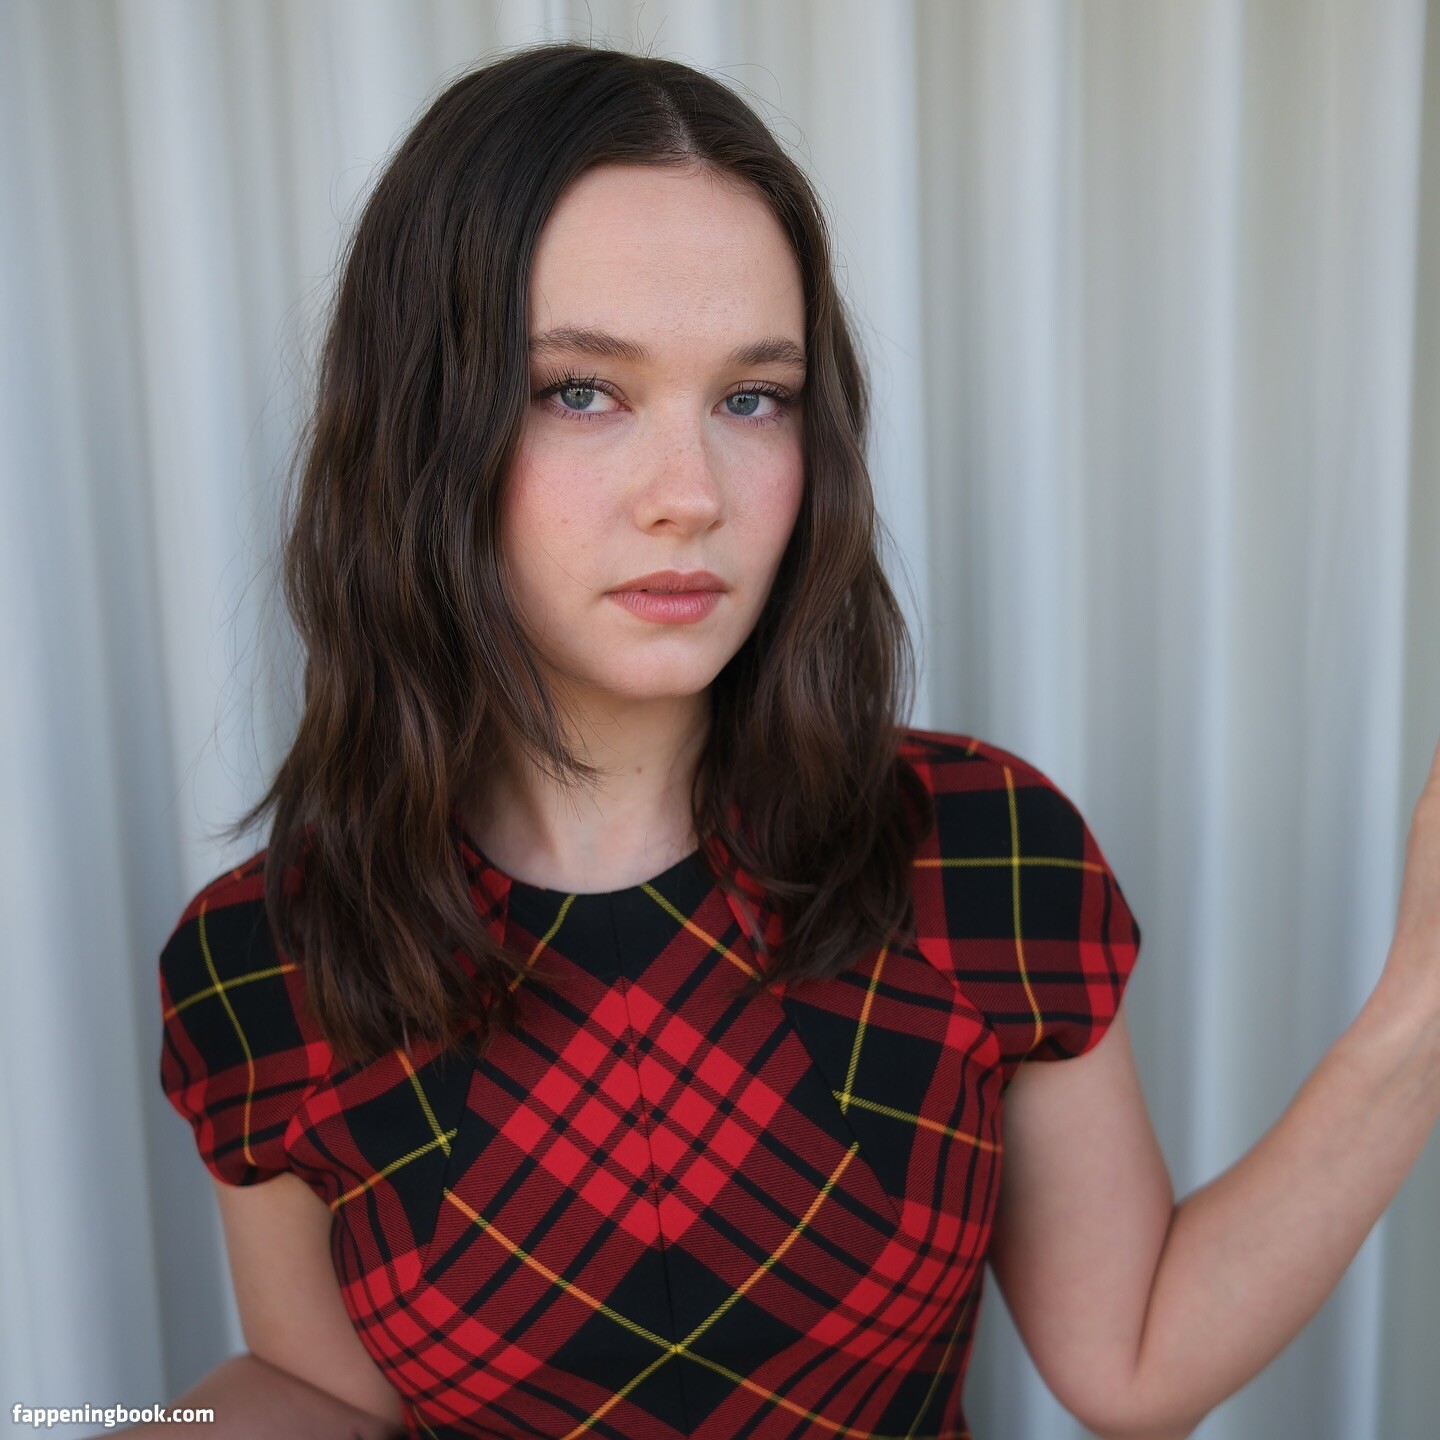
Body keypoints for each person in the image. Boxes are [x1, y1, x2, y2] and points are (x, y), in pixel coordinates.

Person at [131, 40, 1440, 1440]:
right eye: (581, 390)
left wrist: (1418, 1010)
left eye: (752, 398)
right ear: (420, 426)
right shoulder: (261, 961)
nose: (691, 493)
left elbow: (1135, 1362)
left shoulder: (980, 854)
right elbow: (320, 1398)